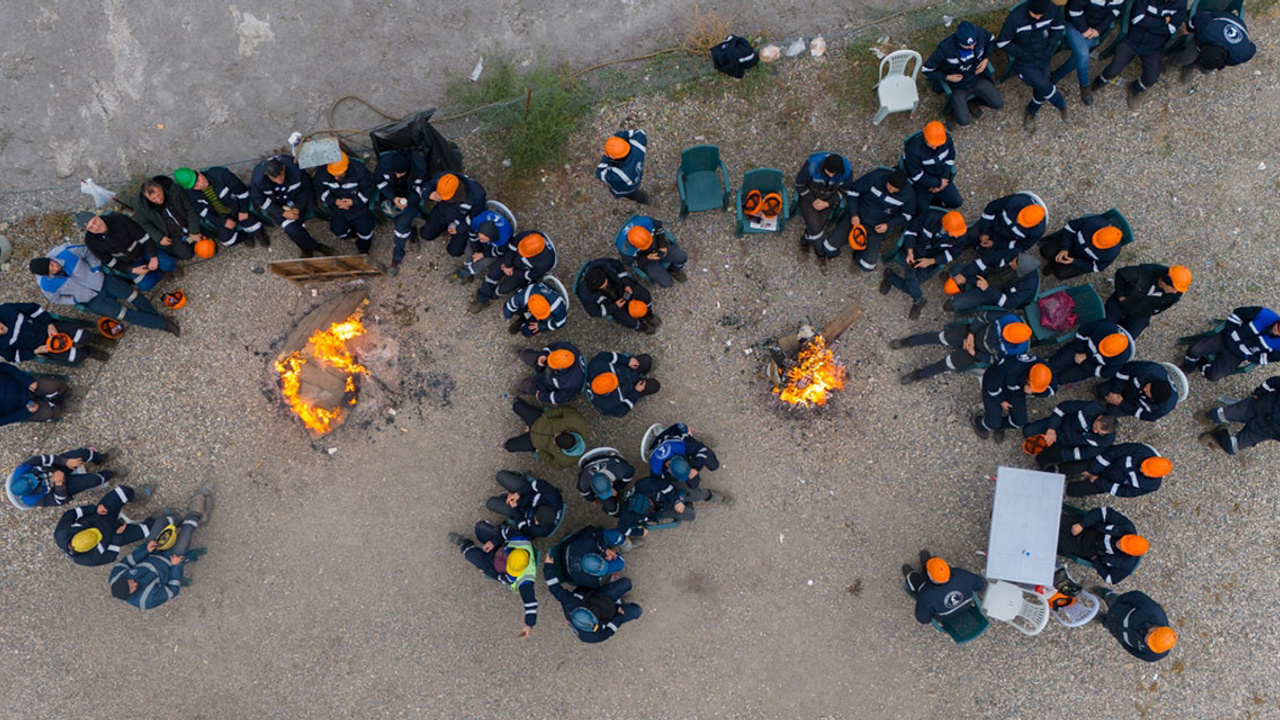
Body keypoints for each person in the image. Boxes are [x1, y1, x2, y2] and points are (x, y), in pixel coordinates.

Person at [109, 481, 213, 610]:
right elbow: (173, 590)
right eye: (132, 587)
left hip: (152, 554)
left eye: (130, 580)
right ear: (129, 595)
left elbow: (128, 561)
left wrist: (146, 550)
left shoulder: (116, 577)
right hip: (169, 566)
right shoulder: (147, 601)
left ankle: (177, 519)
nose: (134, 582)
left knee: (160, 523)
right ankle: (196, 514)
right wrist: (175, 567)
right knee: (186, 535)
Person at [29, 247, 178, 335]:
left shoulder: (65, 252)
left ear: (49, 259)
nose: (55, 268)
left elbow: (87, 251)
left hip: (104, 281)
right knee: (126, 315)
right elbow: (55, 299)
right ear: (46, 275)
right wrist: (75, 300)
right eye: (51, 270)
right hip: (93, 300)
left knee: (134, 296)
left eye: (52, 264)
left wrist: (95, 269)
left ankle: (158, 320)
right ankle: (164, 324)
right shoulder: (45, 285)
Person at [447, 525, 538, 639]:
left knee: (470, 554)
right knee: (480, 529)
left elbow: (530, 603)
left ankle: (464, 543)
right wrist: (493, 542)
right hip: (498, 548)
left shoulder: (527, 579)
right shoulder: (521, 541)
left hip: (496, 570)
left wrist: (529, 625)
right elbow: (507, 531)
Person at [1092, 0, 1187, 109]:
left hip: (1154, 47)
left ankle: (1134, 89)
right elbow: (1137, 19)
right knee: (1113, 69)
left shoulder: (1181, 4)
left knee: (1151, 78)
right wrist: (1163, 22)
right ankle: (1100, 81)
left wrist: (1147, 23)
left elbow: (1172, 28)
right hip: (1132, 40)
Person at [891, 314, 1031, 384]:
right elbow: (983, 317)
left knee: (946, 364)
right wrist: (971, 333)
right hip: (972, 333)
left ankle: (919, 375)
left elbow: (993, 359)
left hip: (976, 353)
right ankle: (908, 341)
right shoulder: (1009, 318)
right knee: (941, 337)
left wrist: (974, 353)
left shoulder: (1015, 351)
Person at [880, 209, 967, 319]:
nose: (955, 237)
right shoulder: (929, 217)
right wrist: (910, 251)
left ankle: (890, 277)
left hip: (931, 259)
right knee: (911, 277)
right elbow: (911, 231)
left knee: (914, 283)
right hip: (915, 252)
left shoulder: (961, 235)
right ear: (944, 226)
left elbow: (952, 254)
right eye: (952, 234)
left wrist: (931, 261)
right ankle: (918, 300)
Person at [996, 0, 1069, 130]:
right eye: (1034, 14)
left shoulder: (1052, 10)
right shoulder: (1015, 18)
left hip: (1043, 56)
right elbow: (1002, 42)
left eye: (1040, 15)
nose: (1038, 17)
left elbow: (1058, 26)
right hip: (1024, 61)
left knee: (1042, 87)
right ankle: (1060, 103)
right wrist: (1021, 53)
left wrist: (1051, 46)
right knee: (1042, 84)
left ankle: (1031, 111)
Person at [922, 20, 1004, 126]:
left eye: (974, 44)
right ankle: (953, 110)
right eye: (968, 46)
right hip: (958, 86)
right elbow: (926, 69)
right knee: (964, 121)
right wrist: (947, 77)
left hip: (976, 78)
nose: (972, 47)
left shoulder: (979, 34)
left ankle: (972, 102)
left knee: (998, 104)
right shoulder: (946, 49)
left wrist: (986, 59)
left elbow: (990, 40)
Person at [543, 554, 641, 643]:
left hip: (598, 597)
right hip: (609, 613)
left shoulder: (571, 603)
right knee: (637, 611)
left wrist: (548, 567)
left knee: (626, 583)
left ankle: (617, 600)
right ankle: (618, 602)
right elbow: (609, 631)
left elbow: (554, 588)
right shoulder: (592, 637)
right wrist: (618, 617)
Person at [250, 155, 332, 257]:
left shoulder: (295, 169)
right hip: (278, 206)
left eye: (281, 175)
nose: (279, 180)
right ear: (267, 175)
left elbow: (306, 187)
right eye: (274, 178)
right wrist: (282, 213)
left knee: (296, 227)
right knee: (292, 230)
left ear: (284, 168)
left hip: (296, 201)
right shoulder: (258, 180)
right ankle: (315, 246)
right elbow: (259, 199)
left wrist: (298, 207)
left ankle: (307, 249)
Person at [53, 485, 154, 566]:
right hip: (112, 536)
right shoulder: (90, 559)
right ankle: (156, 520)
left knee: (122, 491)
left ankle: (138, 498)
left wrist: (93, 509)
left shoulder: (61, 533)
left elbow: (71, 514)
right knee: (149, 530)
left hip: (101, 515)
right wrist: (118, 536)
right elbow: (111, 555)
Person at [1051, 0, 1127, 105]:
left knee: (1080, 56)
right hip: (1074, 23)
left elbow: (1114, 12)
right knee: (1082, 53)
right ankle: (1084, 86)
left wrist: (1098, 30)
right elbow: (1074, 11)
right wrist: (1084, 29)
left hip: (1093, 29)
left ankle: (1054, 77)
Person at [955, 193, 1047, 280]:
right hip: (992, 225)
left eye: (1023, 223)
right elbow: (991, 209)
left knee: (994, 259)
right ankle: (960, 247)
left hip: (1005, 240)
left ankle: (975, 270)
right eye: (1020, 217)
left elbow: (1020, 246)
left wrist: (995, 244)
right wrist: (984, 232)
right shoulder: (1014, 201)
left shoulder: (1037, 231)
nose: (1018, 222)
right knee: (971, 234)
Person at [79, 212, 179, 291]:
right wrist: (132, 270)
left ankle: (169, 267)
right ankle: (159, 273)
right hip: (130, 262)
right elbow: (109, 261)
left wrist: (153, 257)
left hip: (144, 250)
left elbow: (143, 237)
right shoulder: (90, 241)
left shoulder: (118, 219)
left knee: (169, 264)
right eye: (90, 228)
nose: (95, 227)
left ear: (97, 216)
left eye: (94, 222)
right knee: (146, 286)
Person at [173, 166, 267, 248]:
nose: (200, 185)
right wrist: (223, 222)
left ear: (198, 173)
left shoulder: (220, 174)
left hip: (237, 207)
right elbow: (202, 212)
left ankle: (260, 233)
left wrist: (243, 211)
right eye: (195, 186)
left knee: (253, 224)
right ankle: (246, 236)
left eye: (198, 180)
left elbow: (242, 192)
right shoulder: (192, 194)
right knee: (226, 240)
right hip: (222, 216)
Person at [842, 168, 915, 273]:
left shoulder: (908, 195)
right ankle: (849, 241)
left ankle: (858, 253)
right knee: (830, 247)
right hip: (857, 218)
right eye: (889, 186)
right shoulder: (876, 177)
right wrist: (854, 213)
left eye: (895, 190)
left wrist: (888, 225)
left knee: (868, 266)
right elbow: (854, 191)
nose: (890, 190)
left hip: (875, 227)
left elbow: (907, 215)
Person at [1181, 307, 1280, 381]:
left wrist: (1249, 357)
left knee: (1213, 376)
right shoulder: (1263, 314)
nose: (1276, 332)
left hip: (1236, 356)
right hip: (1224, 338)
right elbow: (1238, 313)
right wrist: (1229, 332)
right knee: (1193, 350)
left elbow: (1267, 358)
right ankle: (1188, 367)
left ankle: (1201, 362)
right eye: (1279, 327)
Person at [7, 446, 123, 510]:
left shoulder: (22, 470)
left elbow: (43, 459)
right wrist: (59, 484)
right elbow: (60, 500)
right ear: (32, 491)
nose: (37, 478)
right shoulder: (34, 500)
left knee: (83, 453)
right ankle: (109, 474)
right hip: (61, 486)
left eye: (33, 477)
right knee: (93, 480)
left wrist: (65, 461)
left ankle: (100, 458)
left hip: (56, 467)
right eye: (35, 483)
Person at [373, 150, 429, 275]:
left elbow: (422, 188)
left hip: (409, 202)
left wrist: (407, 201)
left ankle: (397, 257)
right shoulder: (385, 163)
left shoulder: (419, 168)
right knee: (397, 220)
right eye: (395, 173)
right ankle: (412, 233)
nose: (398, 176)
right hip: (391, 199)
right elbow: (378, 180)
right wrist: (393, 198)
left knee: (400, 229)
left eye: (401, 173)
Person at [1023, 400, 1117, 474]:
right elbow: (1062, 407)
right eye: (1095, 427)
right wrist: (1052, 428)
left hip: (1067, 444)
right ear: (1099, 417)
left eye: (1099, 432)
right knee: (1027, 432)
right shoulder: (1090, 408)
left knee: (1043, 457)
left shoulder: (1105, 441)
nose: (1095, 431)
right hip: (1059, 426)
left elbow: (1083, 453)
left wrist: (1061, 454)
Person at [0, 301, 111, 364]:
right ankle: (90, 352)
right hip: (45, 346)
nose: (0, 330)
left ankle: (97, 338)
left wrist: (49, 324)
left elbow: (33, 309)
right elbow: (14, 357)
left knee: (84, 336)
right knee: (77, 357)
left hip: (49, 328)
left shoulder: (6, 310)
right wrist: (35, 351)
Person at [974, 356, 1055, 441]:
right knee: (993, 423)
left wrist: (1033, 391)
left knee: (1020, 420)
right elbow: (992, 386)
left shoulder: (1044, 370)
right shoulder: (1011, 368)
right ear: (1028, 377)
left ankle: (1000, 426)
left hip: (1015, 390)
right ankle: (979, 423)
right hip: (995, 386)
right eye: (1031, 385)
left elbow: (1052, 390)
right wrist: (1001, 400)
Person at [1058, 507, 1147, 584]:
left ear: (1128, 553)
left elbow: (1110, 579)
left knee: (1056, 541)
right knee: (1056, 521)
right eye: (1123, 540)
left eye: (1123, 547)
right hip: (1089, 529)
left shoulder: (1126, 565)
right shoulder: (1127, 526)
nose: (1119, 543)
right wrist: (1082, 524)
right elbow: (1104, 512)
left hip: (1084, 549)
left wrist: (1095, 559)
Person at [313, 152, 376, 254]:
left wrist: (353, 202)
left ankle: (363, 249)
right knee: (338, 232)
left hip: (358, 209)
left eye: (339, 174)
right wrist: (334, 201)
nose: (336, 178)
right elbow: (320, 190)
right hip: (338, 209)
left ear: (346, 168)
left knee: (366, 233)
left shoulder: (359, 171)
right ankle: (353, 235)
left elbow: (367, 191)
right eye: (334, 175)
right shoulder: (322, 173)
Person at [574, 258, 659, 334]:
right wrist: (615, 306)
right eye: (602, 287)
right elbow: (594, 312)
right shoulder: (584, 294)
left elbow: (619, 267)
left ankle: (648, 314)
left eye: (605, 282)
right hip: (611, 304)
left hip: (622, 287)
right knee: (628, 321)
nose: (605, 286)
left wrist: (626, 283)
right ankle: (640, 326)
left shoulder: (604, 264)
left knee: (645, 295)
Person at [1104, 263, 1190, 338]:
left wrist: (1148, 311)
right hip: (1121, 304)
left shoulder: (1175, 295)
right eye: (1174, 288)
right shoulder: (1144, 273)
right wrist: (1121, 296)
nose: (1175, 292)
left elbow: (1162, 307)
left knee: (1126, 340)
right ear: (1165, 281)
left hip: (1141, 314)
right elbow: (1121, 274)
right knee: (1103, 326)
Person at [1200, 375, 1280, 455]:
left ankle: (1218, 432)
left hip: (1262, 430)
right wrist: (1258, 393)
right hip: (1256, 406)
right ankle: (1207, 415)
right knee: (1217, 415)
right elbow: (1273, 381)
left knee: (1231, 448)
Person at [474, 232, 557, 309]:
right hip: (512, 260)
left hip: (523, 271)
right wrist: (507, 265)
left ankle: (494, 295)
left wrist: (514, 272)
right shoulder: (527, 236)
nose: (521, 253)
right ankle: (482, 299)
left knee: (504, 289)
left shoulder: (545, 262)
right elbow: (511, 249)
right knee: (494, 273)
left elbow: (531, 275)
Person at [615, 473, 713, 538]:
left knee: (695, 495)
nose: (651, 505)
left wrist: (676, 501)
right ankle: (688, 504)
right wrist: (640, 532)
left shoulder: (643, 485)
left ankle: (711, 495)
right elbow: (622, 528)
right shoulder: (627, 515)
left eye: (650, 503)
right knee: (690, 515)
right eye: (648, 509)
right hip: (661, 510)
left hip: (669, 495)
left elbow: (665, 485)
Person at [132, 175, 207, 261]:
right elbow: (144, 223)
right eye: (153, 199)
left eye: (159, 195)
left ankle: (191, 238)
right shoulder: (140, 207)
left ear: (160, 187)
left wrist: (194, 230)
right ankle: (180, 246)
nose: (158, 200)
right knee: (186, 254)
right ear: (147, 197)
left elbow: (189, 209)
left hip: (186, 223)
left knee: (203, 239)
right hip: (171, 234)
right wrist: (159, 237)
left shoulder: (174, 189)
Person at [902, 553, 987, 625]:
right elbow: (980, 585)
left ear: (931, 577)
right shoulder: (961, 575)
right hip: (966, 608)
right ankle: (928, 564)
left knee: (916, 581)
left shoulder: (926, 595)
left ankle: (912, 574)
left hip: (945, 618)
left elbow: (923, 619)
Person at [794, 152, 855, 252]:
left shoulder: (847, 172)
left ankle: (805, 240)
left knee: (819, 224)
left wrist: (828, 203)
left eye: (834, 174)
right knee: (815, 226)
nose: (831, 175)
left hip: (827, 199)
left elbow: (844, 191)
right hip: (809, 196)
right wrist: (813, 200)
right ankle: (821, 251)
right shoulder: (812, 165)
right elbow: (799, 184)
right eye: (829, 172)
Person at [943, 252, 1041, 314]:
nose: (1010, 262)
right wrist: (964, 274)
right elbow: (983, 262)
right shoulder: (1012, 254)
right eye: (1013, 261)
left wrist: (987, 288)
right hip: (983, 276)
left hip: (990, 292)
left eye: (1013, 265)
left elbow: (1008, 303)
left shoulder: (1029, 285)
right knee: (955, 270)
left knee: (955, 303)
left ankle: (961, 296)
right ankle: (962, 287)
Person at [1095, 588, 1177, 662]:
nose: (1146, 643)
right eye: (1149, 640)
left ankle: (1102, 619)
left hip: (1117, 630)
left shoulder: (1154, 654)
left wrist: (1123, 642)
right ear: (1155, 629)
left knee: (1107, 623)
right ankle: (1104, 593)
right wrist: (1119, 601)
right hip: (1119, 609)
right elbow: (1135, 596)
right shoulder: (1151, 610)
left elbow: (1134, 652)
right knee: (1111, 599)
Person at [481, 470, 565, 540]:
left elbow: (521, 524)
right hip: (527, 492)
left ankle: (506, 497)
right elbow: (536, 484)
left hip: (519, 510)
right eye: (536, 518)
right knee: (500, 476)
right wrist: (518, 494)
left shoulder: (538, 530)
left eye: (537, 522)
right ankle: (517, 478)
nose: (535, 522)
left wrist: (514, 507)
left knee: (490, 504)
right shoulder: (552, 496)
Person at [503, 400, 589, 469]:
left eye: (555, 442)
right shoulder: (576, 421)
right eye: (557, 435)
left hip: (535, 442)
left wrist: (539, 452)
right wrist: (546, 415)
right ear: (568, 432)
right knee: (516, 405)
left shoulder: (565, 460)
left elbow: (552, 463)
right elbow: (562, 410)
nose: (554, 437)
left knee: (509, 446)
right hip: (540, 421)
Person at [1176, 10, 1256, 82]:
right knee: (1185, 58)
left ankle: (1190, 67)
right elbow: (1199, 16)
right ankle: (1176, 60)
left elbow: (1252, 48)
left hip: (1234, 27)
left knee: (1206, 71)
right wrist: (1188, 29)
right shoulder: (1206, 32)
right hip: (1223, 17)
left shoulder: (1240, 55)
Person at [420, 171, 487, 257]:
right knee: (426, 234)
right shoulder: (444, 178)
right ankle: (442, 229)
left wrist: (459, 229)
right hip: (441, 212)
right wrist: (428, 194)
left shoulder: (477, 196)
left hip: (462, 219)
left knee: (454, 252)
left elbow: (475, 218)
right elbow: (426, 187)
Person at [1038, 215, 1124, 280]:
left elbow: (1096, 267)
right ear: (1100, 230)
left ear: (1110, 246)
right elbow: (1070, 228)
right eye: (1095, 238)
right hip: (1071, 243)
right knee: (1045, 252)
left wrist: (1075, 261)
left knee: (1060, 274)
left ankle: (1054, 267)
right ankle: (1054, 262)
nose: (1093, 244)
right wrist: (1065, 248)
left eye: (1098, 245)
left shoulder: (1112, 253)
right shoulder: (1092, 222)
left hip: (1081, 259)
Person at [1046, 321, 1134, 384]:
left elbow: (1104, 372)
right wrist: (1080, 351)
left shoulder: (1120, 360)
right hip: (1081, 349)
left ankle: (1049, 383)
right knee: (1054, 362)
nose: (1099, 352)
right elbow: (1082, 332)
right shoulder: (1103, 327)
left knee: (1062, 378)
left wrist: (1085, 364)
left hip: (1090, 366)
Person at [902, 122, 962, 214]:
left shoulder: (947, 140)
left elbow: (950, 158)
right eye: (932, 144)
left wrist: (944, 178)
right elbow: (916, 176)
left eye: (937, 144)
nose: (934, 147)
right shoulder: (914, 151)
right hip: (923, 185)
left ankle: (938, 203)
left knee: (956, 202)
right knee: (921, 213)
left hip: (942, 179)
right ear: (925, 138)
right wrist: (937, 183)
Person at [1067, 444, 1170, 497]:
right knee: (1076, 466)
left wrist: (1099, 481)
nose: (1141, 469)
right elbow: (1114, 452)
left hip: (1109, 480)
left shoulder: (1150, 486)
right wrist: (1093, 469)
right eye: (1144, 465)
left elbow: (1121, 491)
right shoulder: (1142, 450)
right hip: (1105, 460)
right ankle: (1057, 469)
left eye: (1145, 471)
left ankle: (1065, 490)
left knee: (1077, 490)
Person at [615, 216, 688, 287]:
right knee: (667, 283)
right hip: (646, 259)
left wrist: (662, 246)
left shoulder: (647, 222)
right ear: (633, 245)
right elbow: (633, 263)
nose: (649, 246)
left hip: (658, 245)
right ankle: (665, 274)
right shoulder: (625, 249)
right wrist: (647, 258)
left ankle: (673, 270)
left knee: (682, 257)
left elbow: (659, 229)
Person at [1095, 361, 1177, 421]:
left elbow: (1143, 415)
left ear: (1153, 398)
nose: (1145, 388)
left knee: (1110, 412)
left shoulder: (1163, 408)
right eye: (1147, 386)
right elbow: (1124, 371)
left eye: (1147, 391)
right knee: (1101, 390)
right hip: (1127, 385)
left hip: (1132, 402)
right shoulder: (1148, 369)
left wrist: (1122, 403)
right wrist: (1116, 391)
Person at [585, 351, 659, 418]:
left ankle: (639, 371)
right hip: (633, 388)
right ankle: (641, 386)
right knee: (655, 386)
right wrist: (636, 392)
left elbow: (608, 355)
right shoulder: (607, 406)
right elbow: (625, 408)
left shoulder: (596, 365)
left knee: (647, 360)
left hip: (627, 368)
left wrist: (627, 361)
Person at [554, 525, 628, 589]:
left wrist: (605, 549)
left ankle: (626, 545)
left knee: (614, 535)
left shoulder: (588, 542)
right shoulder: (591, 582)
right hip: (570, 561)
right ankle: (618, 548)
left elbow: (591, 529)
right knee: (620, 563)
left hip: (568, 549)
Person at [456, 205, 515, 281]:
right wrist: (476, 249)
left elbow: (499, 252)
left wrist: (483, 254)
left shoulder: (503, 240)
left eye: (483, 239)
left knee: (488, 260)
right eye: (480, 237)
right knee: (470, 246)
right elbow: (473, 236)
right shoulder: (476, 222)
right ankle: (467, 263)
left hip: (493, 247)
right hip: (484, 236)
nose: (481, 241)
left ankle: (469, 271)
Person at [516, 342, 585, 405]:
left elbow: (562, 398)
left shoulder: (570, 384)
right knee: (528, 355)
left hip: (549, 384)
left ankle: (521, 389)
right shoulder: (566, 347)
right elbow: (551, 347)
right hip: (553, 375)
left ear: (559, 368)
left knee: (527, 386)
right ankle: (523, 352)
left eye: (551, 364)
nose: (549, 363)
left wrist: (542, 396)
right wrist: (544, 355)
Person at [645, 422, 720, 481]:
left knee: (714, 465)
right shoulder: (655, 467)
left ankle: (694, 438)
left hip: (677, 438)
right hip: (662, 444)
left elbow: (702, 449)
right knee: (692, 483)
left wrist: (696, 467)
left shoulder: (679, 447)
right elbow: (657, 481)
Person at [0, 360, 66, 426]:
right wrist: (26, 412)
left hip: (25, 386)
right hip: (23, 407)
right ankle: (57, 405)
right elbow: (6, 419)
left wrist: (27, 381)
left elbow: (5, 367)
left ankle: (59, 394)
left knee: (56, 386)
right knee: (50, 413)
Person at [577, 448, 635, 517]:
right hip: (591, 464)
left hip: (610, 459)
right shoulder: (583, 483)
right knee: (612, 509)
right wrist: (592, 499)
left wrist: (618, 487)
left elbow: (629, 475)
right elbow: (585, 493)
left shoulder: (621, 471)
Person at [596, 130, 648, 204]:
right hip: (637, 177)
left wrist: (606, 157)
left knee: (631, 194)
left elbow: (599, 173)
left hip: (626, 189)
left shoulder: (617, 175)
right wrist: (617, 138)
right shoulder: (638, 147)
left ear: (614, 158)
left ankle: (642, 199)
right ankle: (644, 199)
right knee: (636, 194)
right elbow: (639, 132)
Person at [502, 282, 568, 338]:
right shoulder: (523, 296)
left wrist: (541, 326)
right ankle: (525, 318)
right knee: (516, 310)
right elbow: (511, 305)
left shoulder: (558, 307)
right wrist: (507, 314)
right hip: (530, 303)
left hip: (549, 309)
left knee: (526, 332)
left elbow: (560, 323)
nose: (537, 317)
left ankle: (525, 318)